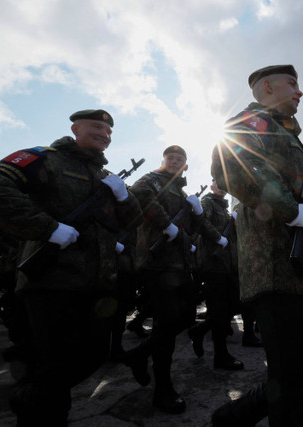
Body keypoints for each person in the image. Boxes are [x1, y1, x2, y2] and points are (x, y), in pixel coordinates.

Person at [0, 109, 142, 425]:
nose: (105, 134)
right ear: (75, 128)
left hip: (96, 285)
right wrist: (46, 227)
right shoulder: (44, 158)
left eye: (109, 131)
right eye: (97, 126)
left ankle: (30, 397)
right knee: (54, 365)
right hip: (51, 283)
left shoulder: (104, 177)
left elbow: (134, 221)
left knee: (94, 355)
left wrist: (124, 197)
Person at [211, 65, 303, 426]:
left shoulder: (290, 138)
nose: (300, 92)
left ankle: (237, 415)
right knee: (292, 379)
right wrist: (289, 212)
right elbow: (227, 166)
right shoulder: (251, 123)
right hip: (278, 268)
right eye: (292, 84)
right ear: (268, 87)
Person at [128, 145, 204, 414]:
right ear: (164, 161)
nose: (174, 161)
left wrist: (196, 212)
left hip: (180, 265)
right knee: (167, 321)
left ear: (185, 166)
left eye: (180, 159)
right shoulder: (151, 179)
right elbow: (139, 196)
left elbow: (191, 232)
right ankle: (163, 388)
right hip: (157, 263)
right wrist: (165, 224)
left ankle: (140, 354)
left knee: (186, 317)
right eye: (170, 158)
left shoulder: (181, 192)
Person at [188, 178, 245, 370]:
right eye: (217, 183)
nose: (221, 186)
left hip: (226, 264)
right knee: (220, 310)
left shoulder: (224, 207)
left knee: (233, 305)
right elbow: (203, 222)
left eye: (224, 184)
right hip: (213, 263)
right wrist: (218, 238)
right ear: (212, 186)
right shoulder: (208, 202)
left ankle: (200, 330)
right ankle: (221, 356)